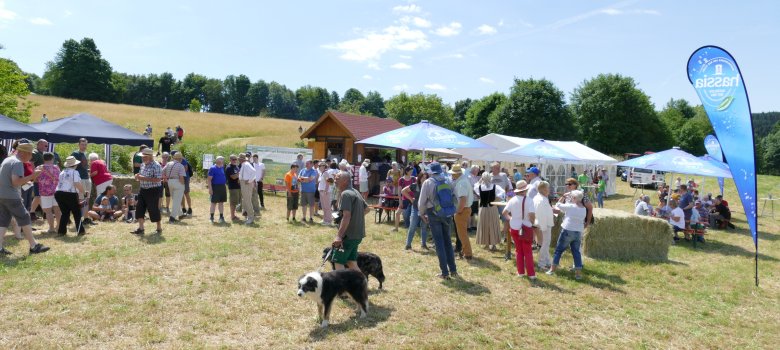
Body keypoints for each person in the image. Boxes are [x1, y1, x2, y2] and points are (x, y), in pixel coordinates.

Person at [0, 142, 50, 255]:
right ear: (22, 153)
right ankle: (34, 246)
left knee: (3, 221)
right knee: (25, 217)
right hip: (11, 196)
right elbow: (16, 182)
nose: (31, 157)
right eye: (29, 154)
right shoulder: (17, 163)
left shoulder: (7, 160)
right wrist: (33, 175)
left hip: (2, 195)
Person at [418, 162, 458, 279]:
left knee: (439, 243)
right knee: (448, 242)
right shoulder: (448, 180)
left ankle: (444, 273)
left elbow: (422, 202)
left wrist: (421, 213)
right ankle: (453, 270)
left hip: (433, 213)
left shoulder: (428, 182)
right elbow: (455, 197)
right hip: (447, 213)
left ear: (431, 171)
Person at [331, 170, 370, 272]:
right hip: (357, 235)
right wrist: (356, 219)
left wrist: (339, 236)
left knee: (338, 261)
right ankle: (362, 284)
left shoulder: (346, 194)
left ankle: (342, 287)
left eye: (338, 178)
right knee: (350, 261)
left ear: (345, 181)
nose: (335, 180)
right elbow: (367, 209)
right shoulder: (355, 191)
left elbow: (346, 216)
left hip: (348, 236)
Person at [547, 190, 586, 280]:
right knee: (576, 253)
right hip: (578, 232)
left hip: (568, 230)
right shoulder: (583, 208)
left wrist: (564, 196)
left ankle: (552, 270)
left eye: (572, 197)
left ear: (575, 198)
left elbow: (557, 205)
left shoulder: (570, 206)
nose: (570, 198)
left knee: (558, 250)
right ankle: (578, 274)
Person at [503, 180, 536, 280]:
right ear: (525, 190)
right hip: (526, 227)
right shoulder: (530, 200)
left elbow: (505, 213)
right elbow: (532, 215)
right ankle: (531, 274)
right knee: (528, 251)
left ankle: (520, 272)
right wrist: (532, 222)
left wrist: (511, 219)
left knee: (518, 250)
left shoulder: (512, 200)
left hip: (514, 227)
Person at [131, 148, 163, 235]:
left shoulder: (156, 165)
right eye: (142, 157)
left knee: (153, 209)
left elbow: (158, 179)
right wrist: (137, 176)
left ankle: (159, 228)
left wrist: (142, 178)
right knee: (139, 208)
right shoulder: (143, 165)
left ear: (150, 156)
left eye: (144, 157)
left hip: (153, 190)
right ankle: (141, 228)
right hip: (143, 189)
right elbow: (141, 176)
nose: (142, 158)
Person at [54, 156, 87, 236]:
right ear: (75, 165)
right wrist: (84, 192)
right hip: (70, 194)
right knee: (77, 213)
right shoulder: (75, 172)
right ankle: (80, 231)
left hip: (58, 193)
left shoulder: (62, 172)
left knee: (65, 213)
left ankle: (61, 232)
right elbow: (77, 184)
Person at [489, 162, 513, 260]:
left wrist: (509, 197)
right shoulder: (488, 177)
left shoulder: (503, 176)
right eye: (496, 168)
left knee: (506, 219)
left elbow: (509, 187)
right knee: (493, 222)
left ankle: (506, 237)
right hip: (492, 201)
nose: (498, 169)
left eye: (499, 167)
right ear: (492, 169)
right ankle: (492, 242)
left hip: (502, 201)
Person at [450, 164, 474, 260]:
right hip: (464, 209)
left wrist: (458, 211)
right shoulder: (463, 181)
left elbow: (463, 199)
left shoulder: (461, 183)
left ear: (457, 174)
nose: (452, 175)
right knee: (462, 233)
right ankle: (465, 251)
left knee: (462, 234)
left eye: (453, 174)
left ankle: (467, 253)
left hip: (462, 210)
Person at [475, 172, 503, 251]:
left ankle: (486, 243)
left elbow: (475, 186)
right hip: (492, 207)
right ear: (491, 178)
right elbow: (502, 194)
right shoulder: (495, 187)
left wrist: (480, 181)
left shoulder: (479, 187)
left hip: (483, 208)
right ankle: (493, 244)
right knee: (493, 224)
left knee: (484, 224)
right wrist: (495, 200)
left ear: (482, 178)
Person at [403, 171, 429, 250]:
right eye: (422, 177)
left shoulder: (429, 186)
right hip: (415, 208)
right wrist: (411, 199)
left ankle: (423, 244)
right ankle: (408, 244)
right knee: (412, 226)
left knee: (424, 226)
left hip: (425, 209)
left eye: (426, 178)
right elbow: (403, 191)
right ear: (419, 178)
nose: (424, 179)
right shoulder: (415, 185)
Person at [37, 152, 61, 233]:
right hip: (57, 191)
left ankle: (51, 228)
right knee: (57, 210)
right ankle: (58, 227)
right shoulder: (56, 167)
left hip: (45, 192)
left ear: (43, 159)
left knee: (48, 211)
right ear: (52, 158)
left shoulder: (39, 168)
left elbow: (36, 179)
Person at [534, 181, 555, 270]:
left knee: (546, 244)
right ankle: (541, 263)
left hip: (544, 224)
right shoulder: (541, 200)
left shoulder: (540, 197)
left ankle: (547, 261)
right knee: (545, 244)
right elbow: (541, 214)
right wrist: (543, 227)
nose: (549, 190)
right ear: (543, 189)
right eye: (548, 188)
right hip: (544, 225)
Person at [71, 138, 92, 220]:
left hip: (86, 177)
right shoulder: (75, 153)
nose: (84, 146)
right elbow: (71, 166)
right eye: (82, 144)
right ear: (78, 145)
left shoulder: (84, 154)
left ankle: (86, 218)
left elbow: (83, 166)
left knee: (87, 197)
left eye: (85, 144)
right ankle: (80, 217)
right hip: (80, 178)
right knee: (81, 198)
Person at [163, 152, 187, 223]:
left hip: (169, 181)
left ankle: (180, 214)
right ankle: (172, 217)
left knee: (175, 199)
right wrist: (183, 185)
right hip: (178, 182)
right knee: (177, 200)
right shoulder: (180, 166)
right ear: (180, 159)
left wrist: (165, 178)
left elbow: (162, 172)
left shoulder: (168, 164)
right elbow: (181, 177)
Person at [238, 153, 258, 225]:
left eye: (239, 159)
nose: (238, 160)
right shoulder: (244, 164)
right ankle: (248, 216)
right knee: (246, 200)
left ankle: (251, 217)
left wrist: (249, 180)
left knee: (247, 200)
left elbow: (254, 172)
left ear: (241, 159)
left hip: (246, 184)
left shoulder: (246, 164)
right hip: (244, 183)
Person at [207, 156, 227, 223]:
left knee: (221, 202)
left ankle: (221, 217)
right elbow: (209, 180)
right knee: (213, 203)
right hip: (215, 187)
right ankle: (211, 217)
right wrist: (210, 189)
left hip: (222, 187)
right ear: (217, 161)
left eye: (222, 160)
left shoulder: (222, 167)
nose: (222, 161)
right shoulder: (212, 168)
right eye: (221, 160)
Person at [395, 166, 416, 232]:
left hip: (413, 198)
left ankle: (415, 228)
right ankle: (396, 228)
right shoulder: (401, 179)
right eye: (411, 171)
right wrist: (400, 200)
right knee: (397, 213)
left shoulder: (413, 179)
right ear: (407, 171)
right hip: (405, 199)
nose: (412, 172)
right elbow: (399, 191)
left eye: (412, 171)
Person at [317, 161, 334, 226]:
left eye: (321, 166)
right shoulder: (321, 173)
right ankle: (325, 219)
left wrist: (326, 191)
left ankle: (329, 220)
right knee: (324, 206)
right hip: (321, 191)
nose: (320, 167)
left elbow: (328, 182)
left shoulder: (325, 173)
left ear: (324, 166)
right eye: (320, 166)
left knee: (327, 206)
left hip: (325, 191)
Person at [177, 152, 194, 216]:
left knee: (186, 193)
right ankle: (183, 208)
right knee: (181, 194)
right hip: (179, 179)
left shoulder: (183, 160)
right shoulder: (175, 161)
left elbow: (185, 169)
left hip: (185, 179)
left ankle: (189, 208)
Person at [226, 155, 241, 221]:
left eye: (236, 159)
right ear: (230, 160)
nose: (235, 160)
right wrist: (240, 173)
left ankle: (234, 215)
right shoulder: (229, 167)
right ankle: (232, 216)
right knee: (233, 202)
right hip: (233, 187)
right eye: (233, 159)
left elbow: (238, 176)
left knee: (236, 202)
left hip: (238, 186)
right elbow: (233, 177)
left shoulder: (236, 166)